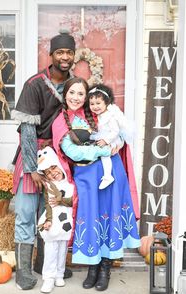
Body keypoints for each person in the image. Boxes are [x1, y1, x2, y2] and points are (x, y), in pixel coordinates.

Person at [52, 77, 141, 291]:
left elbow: (120, 134)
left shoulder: (97, 111)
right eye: (72, 93)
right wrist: (104, 149)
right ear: (65, 94)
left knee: (109, 215)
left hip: (111, 173)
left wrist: (116, 144)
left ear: (86, 97)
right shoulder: (61, 121)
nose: (76, 97)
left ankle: (105, 268)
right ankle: (92, 267)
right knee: (90, 216)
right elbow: (73, 151)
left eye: (80, 94)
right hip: (87, 177)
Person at [11, 31, 75, 290]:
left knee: (50, 210)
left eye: (69, 52)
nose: (65, 57)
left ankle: (43, 264)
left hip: (58, 160)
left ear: (74, 56)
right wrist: (32, 168)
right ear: (51, 55)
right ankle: (23, 271)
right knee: (27, 214)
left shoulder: (74, 85)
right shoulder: (35, 84)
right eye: (60, 52)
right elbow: (27, 128)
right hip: (33, 157)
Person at [36, 146, 74, 293]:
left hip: (66, 223)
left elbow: (74, 201)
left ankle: (59, 273)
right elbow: (48, 204)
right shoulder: (49, 186)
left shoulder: (71, 182)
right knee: (51, 249)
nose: (53, 173)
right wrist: (48, 220)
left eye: (53, 168)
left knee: (63, 249)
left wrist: (61, 201)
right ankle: (48, 278)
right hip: (54, 221)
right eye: (48, 173)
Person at [88, 84, 134, 190]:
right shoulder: (100, 115)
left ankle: (108, 176)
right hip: (106, 136)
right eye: (92, 104)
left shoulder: (110, 116)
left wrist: (106, 140)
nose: (95, 106)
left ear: (107, 102)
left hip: (113, 138)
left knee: (105, 153)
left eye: (98, 103)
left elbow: (115, 131)